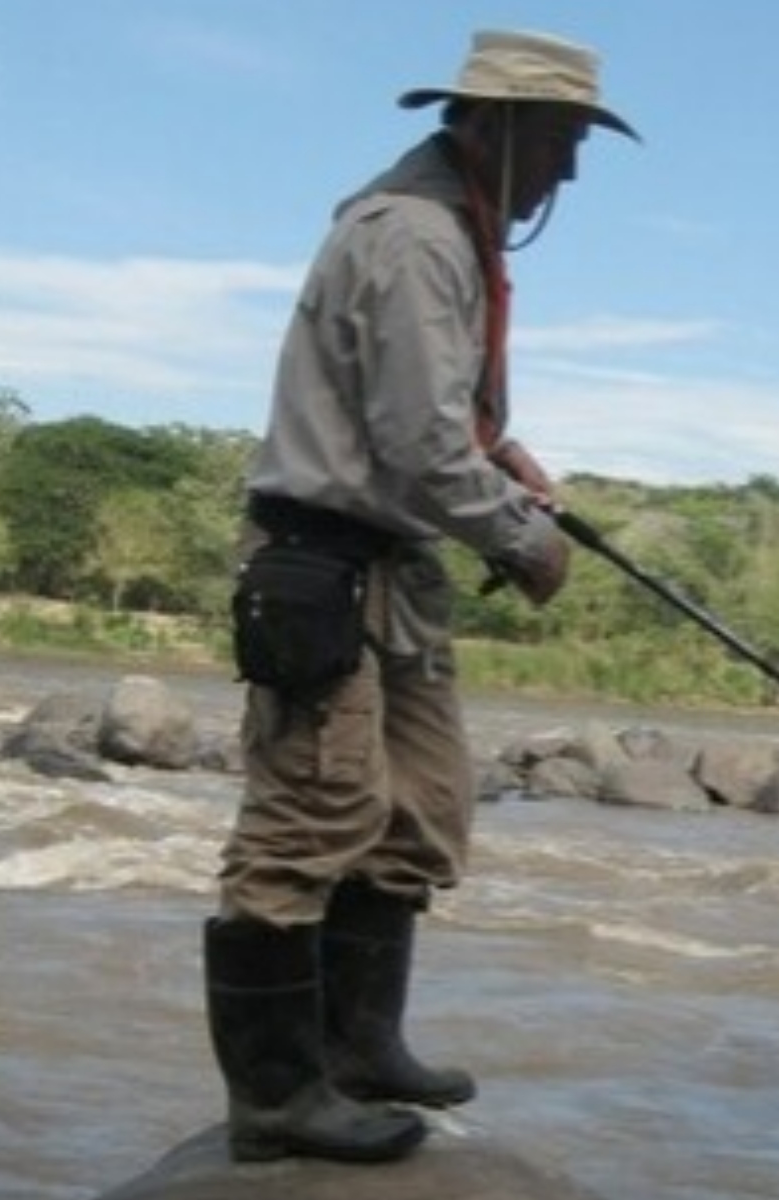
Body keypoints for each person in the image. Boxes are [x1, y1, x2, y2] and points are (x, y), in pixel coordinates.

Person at [201, 30, 639, 1165]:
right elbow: (412, 445)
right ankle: (277, 1100)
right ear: (489, 126)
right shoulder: (410, 237)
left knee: (418, 814)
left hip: (392, 565)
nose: (571, 171)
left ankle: (360, 1047)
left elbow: (438, 421)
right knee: (304, 824)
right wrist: (525, 542)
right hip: (324, 564)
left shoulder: (452, 231)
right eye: (559, 139)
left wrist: (508, 458)